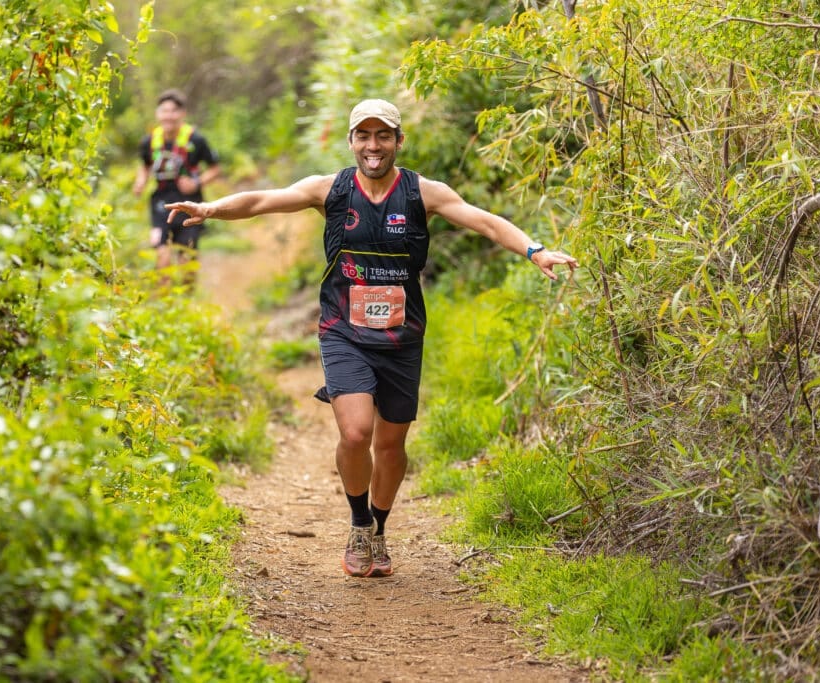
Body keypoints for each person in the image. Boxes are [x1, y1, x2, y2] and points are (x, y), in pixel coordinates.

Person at [167, 99, 578, 578]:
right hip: (344, 328)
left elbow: (484, 221)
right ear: (351, 142)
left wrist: (535, 250)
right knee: (356, 431)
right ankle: (359, 524)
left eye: (383, 135)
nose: (373, 145)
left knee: (390, 445)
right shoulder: (331, 190)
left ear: (399, 141)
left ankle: (379, 530)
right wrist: (211, 208)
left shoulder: (422, 193)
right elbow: (263, 200)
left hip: (403, 336)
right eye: (363, 135)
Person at [132, 88, 221, 278]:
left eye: (173, 111)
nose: (168, 116)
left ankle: (187, 303)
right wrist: (140, 182)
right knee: (162, 256)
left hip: (190, 203)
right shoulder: (149, 141)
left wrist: (196, 183)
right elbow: (145, 166)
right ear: (157, 113)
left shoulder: (196, 139)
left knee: (186, 260)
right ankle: (165, 305)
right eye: (164, 111)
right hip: (161, 203)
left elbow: (215, 169)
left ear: (182, 113)